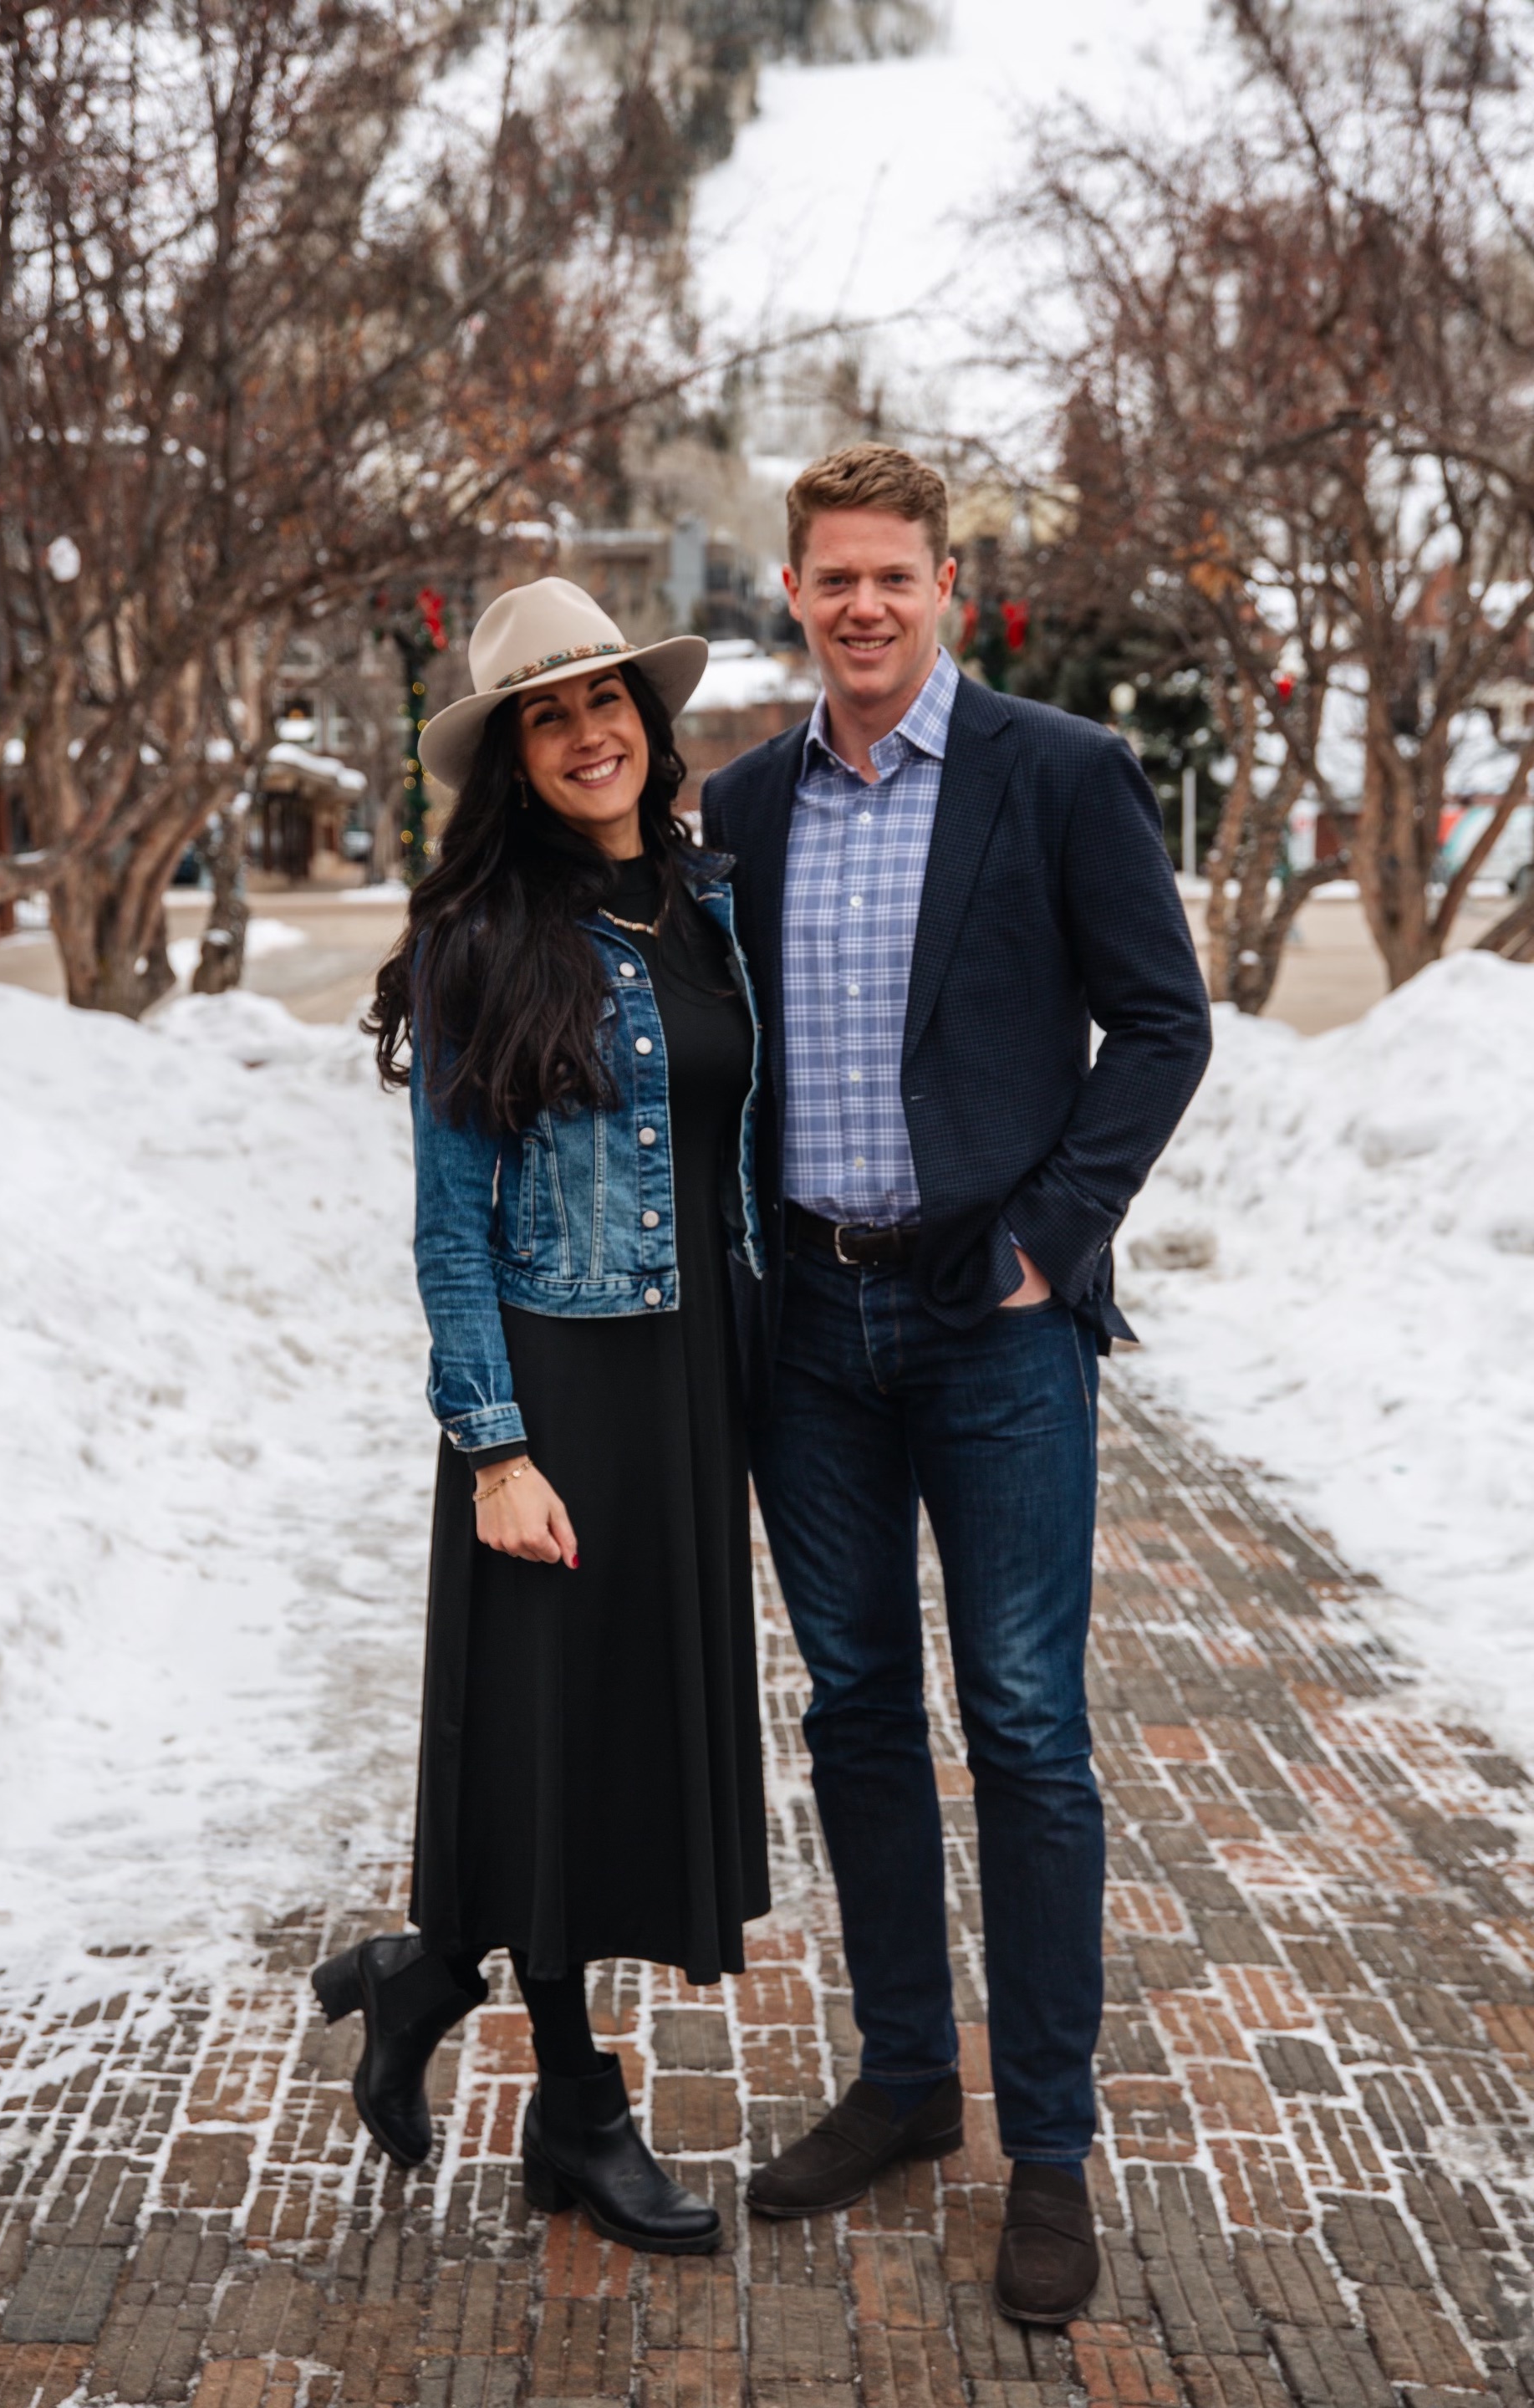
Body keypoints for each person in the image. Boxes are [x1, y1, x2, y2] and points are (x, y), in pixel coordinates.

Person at [701, 446, 1212, 2324]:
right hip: (811, 1341)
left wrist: (1051, 1235)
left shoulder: (1057, 774)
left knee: (1023, 1726)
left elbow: (1165, 1020)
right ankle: (910, 2079)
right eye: (830, 578)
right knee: (852, 1707)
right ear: (794, 590)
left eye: (892, 578)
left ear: (946, 589)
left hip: (995, 1323)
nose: (860, 607)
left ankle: (1051, 2148)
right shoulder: (742, 807)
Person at [315, 578, 769, 2255]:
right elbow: (448, 1224)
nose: (590, 735)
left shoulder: (706, 906)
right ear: (514, 757)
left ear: (650, 724)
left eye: (609, 703)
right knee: (559, 1744)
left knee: (607, 1731)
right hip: (559, 1383)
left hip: (690, 1373)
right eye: (549, 715)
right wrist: (495, 1446)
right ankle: (576, 2111)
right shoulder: (478, 944)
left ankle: (424, 1973)